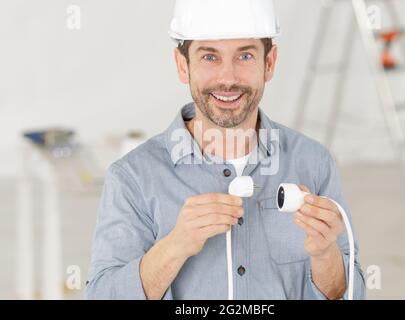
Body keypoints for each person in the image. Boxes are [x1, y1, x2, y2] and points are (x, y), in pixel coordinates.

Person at [86, 0, 366, 300]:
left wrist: (325, 255)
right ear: (183, 66)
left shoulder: (314, 163)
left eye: (245, 55)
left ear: (269, 63)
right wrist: (175, 246)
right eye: (209, 57)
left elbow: (353, 294)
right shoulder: (133, 177)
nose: (228, 78)